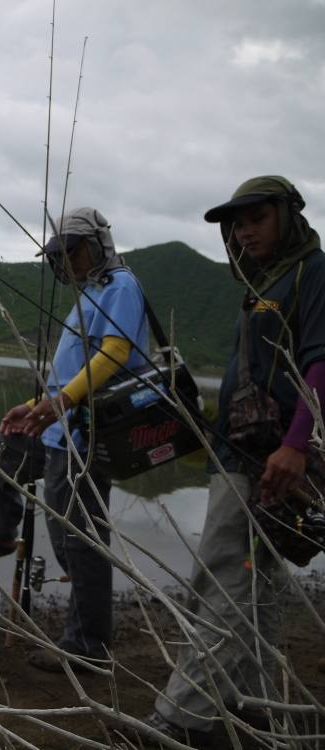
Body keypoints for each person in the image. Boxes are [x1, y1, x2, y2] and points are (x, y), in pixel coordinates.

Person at [146, 176, 325, 744]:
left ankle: (184, 719)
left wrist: (297, 444)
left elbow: (322, 363)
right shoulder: (261, 284)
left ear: (288, 216)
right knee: (257, 583)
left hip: (272, 457)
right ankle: (251, 703)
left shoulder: (312, 272)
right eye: (236, 222)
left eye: (257, 218)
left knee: (221, 576)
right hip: (242, 452)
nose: (244, 230)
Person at [0, 207, 149, 671]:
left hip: (83, 438)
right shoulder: (91, 293)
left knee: (77, 543)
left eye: (72, 251)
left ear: (97, 245)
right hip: (58, 427)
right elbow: (71, 369)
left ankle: (89, 648)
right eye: (58, 254)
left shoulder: (120, 286)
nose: (66, 262)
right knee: (0, 448)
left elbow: (115, 354)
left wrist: (61, 404)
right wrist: (39, 402)